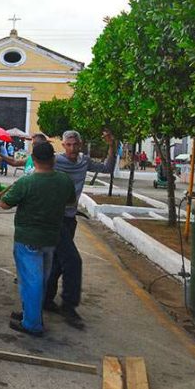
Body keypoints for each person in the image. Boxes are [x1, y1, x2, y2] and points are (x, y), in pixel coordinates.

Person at [0, 142, 77, 336]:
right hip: (50, 239)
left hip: (27, 239)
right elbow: (71, 201)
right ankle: (30, 313)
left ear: (34, 159)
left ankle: (32, 324)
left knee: (30, 281)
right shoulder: (64, 180)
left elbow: (4, 204)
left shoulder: (27, 182)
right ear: (53, 159)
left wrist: (0, 199)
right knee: (41, 279)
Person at [43, 128, 117, 327]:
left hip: (70, 218)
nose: (72, 148)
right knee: (73, 261)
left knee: (59, 261)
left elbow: (108, 168)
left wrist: (111, 145)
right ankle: (69, 307)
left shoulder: (84, 161)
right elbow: (34, 173)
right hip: (54, 218)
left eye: (75, 145)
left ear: (80, 145)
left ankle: (46, 299)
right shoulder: (56, 161)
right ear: (63, 146)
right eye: (68, 145)